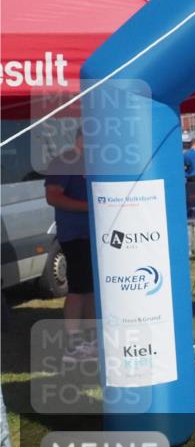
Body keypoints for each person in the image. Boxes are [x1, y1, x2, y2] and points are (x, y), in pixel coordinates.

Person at [45, 130, 96, 362]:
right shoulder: (64, 162)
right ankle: (73, 346)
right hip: (75, 235)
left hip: (94, 235)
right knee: (77, 289)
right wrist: (90, 207)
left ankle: (90, 341)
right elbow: (53, 197)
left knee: (90, 289)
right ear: (81, 137)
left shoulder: (93, 161)